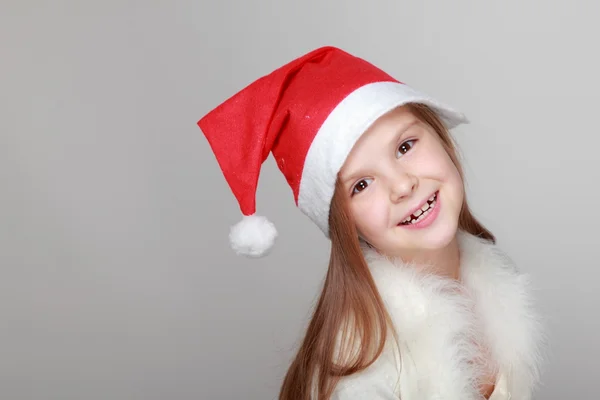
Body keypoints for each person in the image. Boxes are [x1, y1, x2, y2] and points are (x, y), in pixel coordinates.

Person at [197, 46, 544, 400]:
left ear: (441, 137)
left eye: (405, 146)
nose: (402, 185)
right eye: (362, 185)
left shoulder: (495, 286)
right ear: (346, 225)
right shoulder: (363, 372)